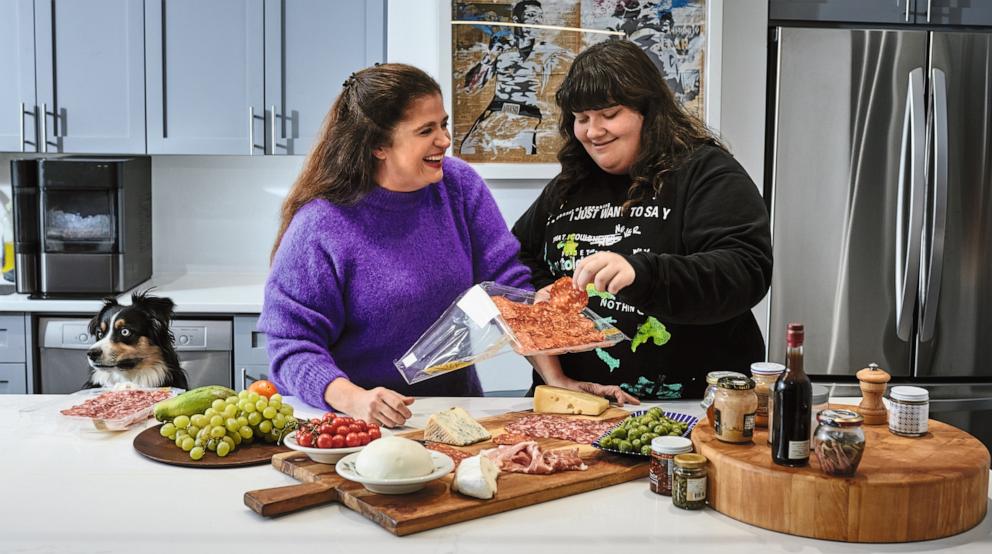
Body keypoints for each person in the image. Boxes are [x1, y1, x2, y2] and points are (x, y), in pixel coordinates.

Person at [259, 63, 633, 427]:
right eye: (426, 130)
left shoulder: (457, 186)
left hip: (452, 414)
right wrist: (356, 399)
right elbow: (291, 345)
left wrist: (556, 379)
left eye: (444, 124)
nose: (444, 140)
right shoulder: (321, 225)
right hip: (351, 422)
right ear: (378, 145)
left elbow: (510, 292)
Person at [512, 40, 772, 401]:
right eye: (582, 118)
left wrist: (642, 274)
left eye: (609, 113)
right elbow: (516, 257)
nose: (593, 131)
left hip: (690, 405)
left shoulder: (705, 172)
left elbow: (745, 271)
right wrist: (542, 291)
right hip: (579, 400)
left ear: (648, 110)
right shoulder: (568, 185)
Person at [459, 0, 572, 157]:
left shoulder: (548, 51)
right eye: (531, 15)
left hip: (528, 117)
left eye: (540, 16)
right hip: (495, 114)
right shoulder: (501, 48)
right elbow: (471, 87)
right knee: (466, 150)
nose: (537, 21)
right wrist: (491, 55)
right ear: (516, 20)